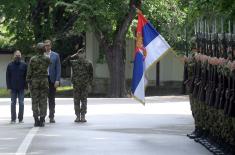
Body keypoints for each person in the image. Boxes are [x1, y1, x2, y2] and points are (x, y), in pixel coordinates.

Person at [63, 47, 93, 122]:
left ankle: (83, 116)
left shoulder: (88, 63)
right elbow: (64, 63)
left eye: (82, 54)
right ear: (78, 55)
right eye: (79, 54)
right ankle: (77, 116)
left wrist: (90, 84)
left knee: (84, 101)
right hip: (76, 85)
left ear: (84, 54)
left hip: (84, 85)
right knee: (76, 101)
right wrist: (73, 56)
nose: (81, 55)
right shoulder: (74, 62)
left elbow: (91, 74)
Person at [26, 43, 51, 127]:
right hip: (44, 80)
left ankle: (36, 120)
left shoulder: (33, 59)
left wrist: (28, 81)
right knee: (43, 100)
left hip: (35, 81)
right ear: (43, 49)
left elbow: (29, 71)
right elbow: (49, 64)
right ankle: (42, 119)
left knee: (35, 101)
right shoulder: (47, 58)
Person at [6, 50, 27, 123]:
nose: (18, 56)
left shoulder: (24, 65)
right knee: (13, 103)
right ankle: (13, 119)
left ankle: (20, 119)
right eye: (16, 55)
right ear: (14, 56)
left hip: (21, 87)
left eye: (19, 55)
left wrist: (26, 87)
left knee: (21, 103)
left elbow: (26, 77)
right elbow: (7, 77)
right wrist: (8, 87)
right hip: (13, 87)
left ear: (21, 56)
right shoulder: (10, 65)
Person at [44, 40, 61, 123]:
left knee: (51, 99)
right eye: (46, 45)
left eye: (48, 45)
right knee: (43, 99)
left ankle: (51, 116)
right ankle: (42, 116)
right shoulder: (41, 55)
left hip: (52, 79)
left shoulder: (55, 55)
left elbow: (58, 68)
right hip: (43, 80)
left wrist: (57, 80)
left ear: (51, 46)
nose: (47, 47)